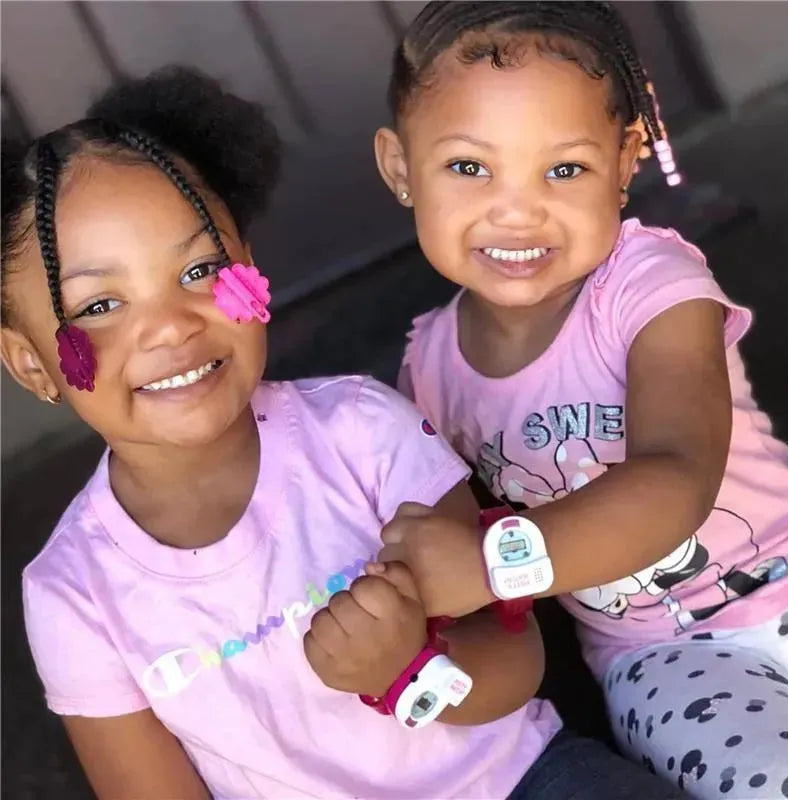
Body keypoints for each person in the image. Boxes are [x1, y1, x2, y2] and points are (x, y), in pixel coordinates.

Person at [2, 66, 679, 799]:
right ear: (32, 363)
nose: (170, 326)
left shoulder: (362, 429)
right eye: (100, 305)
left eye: (200, 269)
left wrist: (408, 670)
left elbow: (516, 662)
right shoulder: (74, 595)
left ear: (249, 268)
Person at [373, 3, 788, 798]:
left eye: (564, 169)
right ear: (400, 168)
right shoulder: (426, 370)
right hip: (662, 659)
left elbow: (676, 476)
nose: (516, 210)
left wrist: (492, 566)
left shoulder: (651, 284)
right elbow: (437, 558)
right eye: (469, 167)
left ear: (625, 159)